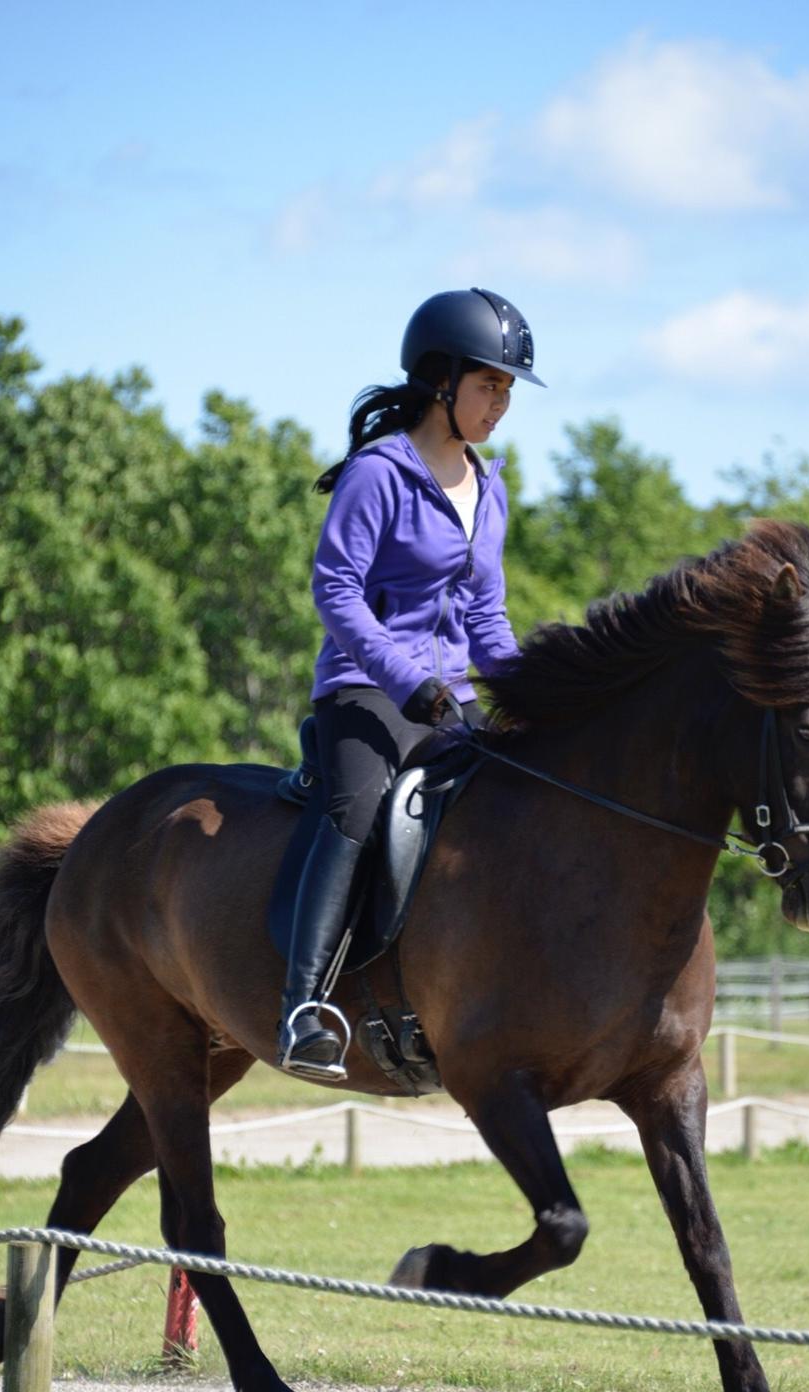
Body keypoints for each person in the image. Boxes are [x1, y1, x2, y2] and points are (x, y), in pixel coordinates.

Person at [278, 287, 545, 1079]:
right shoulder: (379, 473)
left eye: (505, 389)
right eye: (488, 384)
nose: (500, 403)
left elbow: (487, 623)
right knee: (358, 810)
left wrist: (542, 696)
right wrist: (403, 678)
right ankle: (302, 1008)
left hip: (450, 699)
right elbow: (336, 590)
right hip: (364, 687)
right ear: (441, 382)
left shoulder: (486, 487)